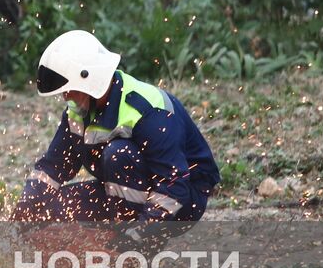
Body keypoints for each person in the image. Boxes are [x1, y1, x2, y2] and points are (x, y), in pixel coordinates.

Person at [13, 30, 219, 234]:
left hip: (183, 201)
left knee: (118, 154)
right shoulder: (79, 110)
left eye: (70, 89)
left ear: (90, 79)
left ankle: (127, 241)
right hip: (123, 191)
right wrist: (26, 208)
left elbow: (174, 185)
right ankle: (115, 233)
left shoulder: (148, 109)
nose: (66, 96)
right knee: (50, 209)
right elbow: (53, 166)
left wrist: (138, 235)